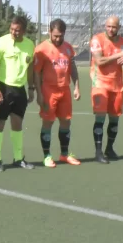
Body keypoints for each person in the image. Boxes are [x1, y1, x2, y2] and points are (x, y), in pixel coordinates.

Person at [0, 16, 36, 171]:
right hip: (3, 88)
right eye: (12, 29)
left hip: (20, 90)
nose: (14, 32)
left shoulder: (30, 45)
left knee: (17, 124)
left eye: (17, 30)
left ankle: (18, 158)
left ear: (24, 30)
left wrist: (31, 88)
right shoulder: (1, 42)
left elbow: (30, 69)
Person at [33, 18, 81, 167]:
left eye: (60, 36)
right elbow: (36, 73)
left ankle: (64, 154)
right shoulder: (41, 49)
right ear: (49, 32)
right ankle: (47, 156)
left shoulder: (68, 48)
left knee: (66, 122)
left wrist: (77, 86)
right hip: (49, 90)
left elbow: (72, 68)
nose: (58, 38)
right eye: (55, 36)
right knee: (48, 122)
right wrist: (39, 94)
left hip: (64, 90)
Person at [89, 16, 123, 164]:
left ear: (119, 27)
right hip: (100, 84)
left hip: (117, 86)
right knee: (100, 118)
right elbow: (99, 61)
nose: (110, 29)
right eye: (108, 26)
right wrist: (119, 55)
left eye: (114, 27)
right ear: (105, 26)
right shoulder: (97, 40)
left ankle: (110, 148)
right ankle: (98, 152)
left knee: (114, 119)